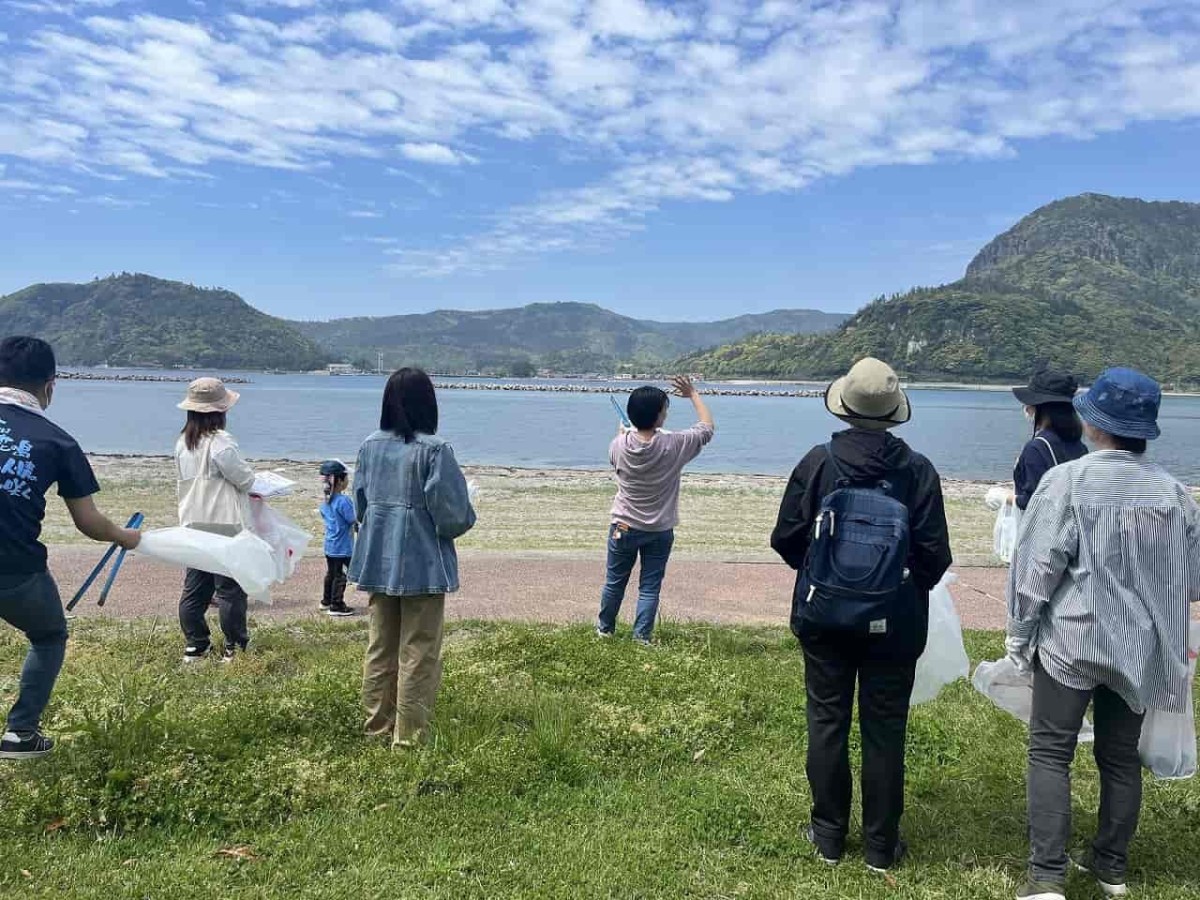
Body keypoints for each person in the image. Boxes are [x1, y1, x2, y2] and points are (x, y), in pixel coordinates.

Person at [1007, 368, 1200, 900]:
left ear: (1094, 424)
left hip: (1074, 639)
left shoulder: (1068, 482)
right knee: (1119, 757)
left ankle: (1047, 876)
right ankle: (1110, 866)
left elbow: (1034, 570)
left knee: (1050, 750)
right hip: (1142, 647)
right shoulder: (1175, 494)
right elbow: (1194, 576)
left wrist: (1018, 638)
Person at [770, 357, 952, 873]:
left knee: (826, 721)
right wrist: (897, 589)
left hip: (824, 618)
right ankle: (880, 846)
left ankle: (827, 836)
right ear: (895, 412)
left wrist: (823, 578)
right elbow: (935, 555)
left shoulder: (818, 462)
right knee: (884, 728)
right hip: (894, 623)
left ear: (845, 406)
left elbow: (785, 537)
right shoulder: (916, 470)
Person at [0, 337, 140, 760]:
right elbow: (88, 522)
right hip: (15, 570)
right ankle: (20, 734)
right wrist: (124, 536)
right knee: (48, 635)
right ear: (50, 386)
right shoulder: (57, 441)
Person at [350, 368, 476, 747]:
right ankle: (408, 738)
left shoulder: (369, 446)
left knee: (380, 646)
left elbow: (360, 505)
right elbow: (452, 516)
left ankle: (376, 728)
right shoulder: (435, 450)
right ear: (428, 404)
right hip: (421, 562)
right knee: (419, 651)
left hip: (378, 558)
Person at [596, 376, 714, 644]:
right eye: (665, 409)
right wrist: (693, 394)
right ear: (659, 416)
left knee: (615, 582)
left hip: (623, 526)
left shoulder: (619, 444)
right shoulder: (673, 445)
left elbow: (618, 457)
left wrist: (623, 432)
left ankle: (605, 631)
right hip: (659, 529)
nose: (666, 413)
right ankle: (641, 637)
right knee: (649, 586)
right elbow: (706, 428)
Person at [174, 377, 255, 663]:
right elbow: (244, 479)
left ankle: (196, 645)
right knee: (230, 590)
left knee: (196, 587)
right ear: (220, 411)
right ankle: (235, 646)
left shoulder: (184, 442)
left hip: (193, 521)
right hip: (223, 524)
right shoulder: (221, 443)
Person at [1011, 370, 1087, 510]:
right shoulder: (1079, 446)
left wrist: (1006, 498)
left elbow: (1032, 500)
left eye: (1029, 404)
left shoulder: (1036, 447)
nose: (1026, 409)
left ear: (1042, 409)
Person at [319, 459, 356, 618]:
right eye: (346, 478)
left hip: (330, 545)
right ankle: (337, 604)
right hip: (343, 547)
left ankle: (326, 600)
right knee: (341, 576)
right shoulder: (343, 501)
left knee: (331, 574)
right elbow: (352, 519)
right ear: (340, 481)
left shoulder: (325, 501)